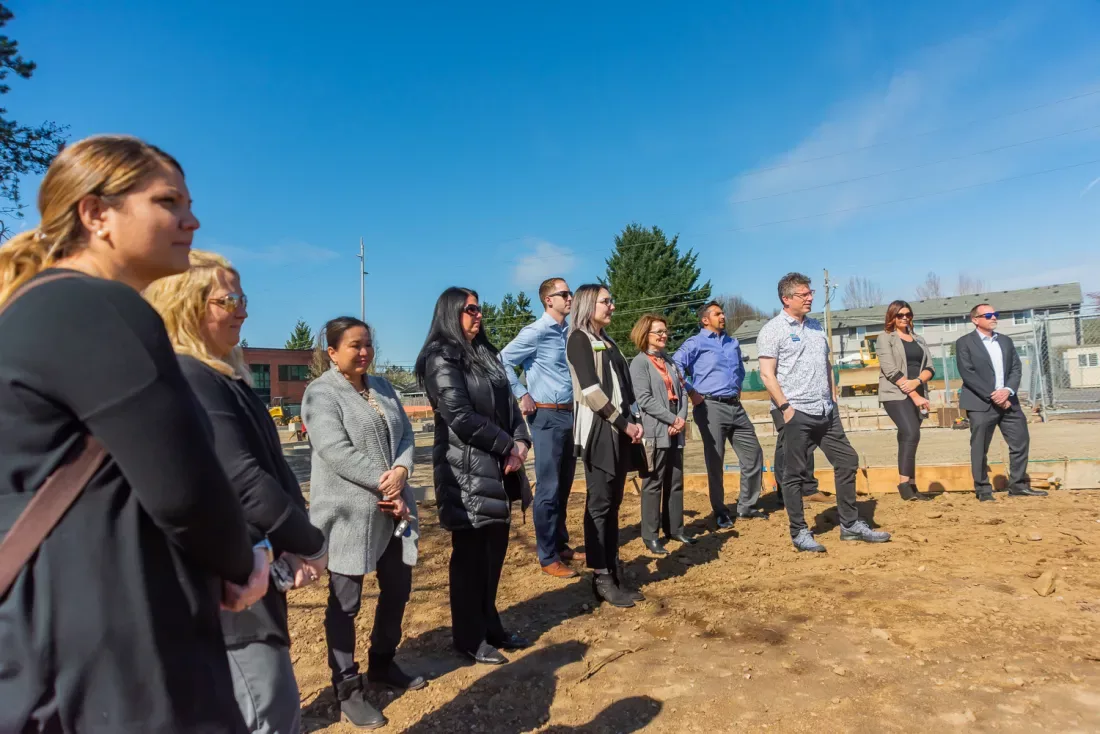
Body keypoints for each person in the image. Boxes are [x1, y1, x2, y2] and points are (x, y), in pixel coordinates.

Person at [0, 135, 268, 733]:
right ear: (97, 214)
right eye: (168, 202)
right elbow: (183, 485)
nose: (191, 220)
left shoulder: (39, 309)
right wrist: (241, 558)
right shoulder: (100, 307)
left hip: (57, 631)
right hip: (112, 645)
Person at [145, 250, 330, 734]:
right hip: (230, 591)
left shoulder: (221, 376)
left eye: (243, 297)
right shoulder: (190, 376)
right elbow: (242, 478)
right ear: (188, 305)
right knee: (266, 706)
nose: (244, 309)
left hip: (255, 571)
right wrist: (310, 542)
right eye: (231, 299)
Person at [304, 316, 426, 728]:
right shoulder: (320, 394)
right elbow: (334, 450)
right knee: (346, 602)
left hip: (394, 510)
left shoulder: (384, 387)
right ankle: (348, 690)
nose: (364, 352)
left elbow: (406, 436)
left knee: (397, 589)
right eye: (355, 345)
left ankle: (383, 663)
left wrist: (402, 473)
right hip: (348, 514)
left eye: (368, 344)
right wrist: (384, 482)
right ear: (333, 351)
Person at [416, 288, 533, 666]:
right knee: (470, 559)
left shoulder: (486, 355)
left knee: (494, 554)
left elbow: (511, 407)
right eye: (470, 309)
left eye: (479, 308)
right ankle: (468, 637)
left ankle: (490, 624)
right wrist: (507, 446)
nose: (478, 315)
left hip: (498, 468)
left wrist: (520, 441)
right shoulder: (441, 358)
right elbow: (460, 416)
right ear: (451, 313)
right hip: (464, 471)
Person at [758, 272, 891, 552]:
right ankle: (799, 531)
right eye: (803, 294)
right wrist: (785, 407)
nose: (810, 298)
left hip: (825, 411)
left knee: (847, 460)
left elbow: (827, 364)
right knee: (794, 474)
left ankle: (851, 525)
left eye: (810, 293)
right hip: (795, 411)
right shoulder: (773, 330)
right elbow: (767, 375)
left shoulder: (817, 327)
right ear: (786, 298)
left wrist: (832, 394)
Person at [566, 284, 645, 608]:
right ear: (588, 305)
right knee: (599, 504)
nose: (612, 306)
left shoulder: (607, 340)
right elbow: (591, 391)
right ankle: (601, 575)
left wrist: (634, 419)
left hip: (620, 429)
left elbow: (622, 386)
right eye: (605, 301)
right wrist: (623, 423)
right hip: (600, 429)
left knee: (612, 503)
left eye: (612, 300)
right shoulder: (579, 339)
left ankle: (612, 567)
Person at [500, 277, 581, 579]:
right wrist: (522, 392)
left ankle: (560, 544)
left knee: (564, 485)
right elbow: (502, 360)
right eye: (564, 294)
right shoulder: (535, 332)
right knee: (547, 489)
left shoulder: (569, 332)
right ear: (549, 300)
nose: (570, 297)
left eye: (570, 293)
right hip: (545, 417)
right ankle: (547, 556)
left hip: (570, 415)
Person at [673, 301, 765, 526]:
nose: (723, 316)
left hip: (735, 406)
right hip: (709, 406)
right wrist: (691, 391)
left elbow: (740, 369)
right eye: (717, 314)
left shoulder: (732, 342)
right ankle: (720, 511)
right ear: (705, 320)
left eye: (722, 313)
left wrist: (738, 386)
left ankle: (747, 506)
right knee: (715, 460)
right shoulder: (695, 343)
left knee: (753, 454)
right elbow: (674, 366)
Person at [955, 304, 1044, 501]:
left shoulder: (1005, 341)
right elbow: (968, 373)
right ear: (975, 319)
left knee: (1020, 442)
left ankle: (1018, 485)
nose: (993, 317)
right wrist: (994, 395)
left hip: (1008, 401)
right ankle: (983, 490)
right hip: (981, 403)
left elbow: (1015, 369)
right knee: (980, 447)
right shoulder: (964, 343)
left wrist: (1007, 391)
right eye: (988, 315)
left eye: (995, 314)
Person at [629, 314, 694, 556]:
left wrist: (681, 419)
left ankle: (675, 528)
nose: (664, 335)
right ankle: (651, 535)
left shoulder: (670, 362)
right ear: (645, 335)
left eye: (665, 331)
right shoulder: (639, 363)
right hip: (657, 431)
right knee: (653, 484)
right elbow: (644, 400)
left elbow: (684, 392)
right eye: (658, 332)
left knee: (675, 481)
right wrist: (671, 419)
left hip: (675, 430)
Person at [877, 300, 935, 502]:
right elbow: (890, 370)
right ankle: (903, 484)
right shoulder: (885, 338)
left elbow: (930, 367)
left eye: (907, 314)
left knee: (908, 437)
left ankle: (911, 484)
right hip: (896, 394)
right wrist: (914, 393)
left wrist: (918, 382)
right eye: (899, 315)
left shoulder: (919, 340)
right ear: (891, 317)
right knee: (911, 432)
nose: (904, 318)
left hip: (918, 392)